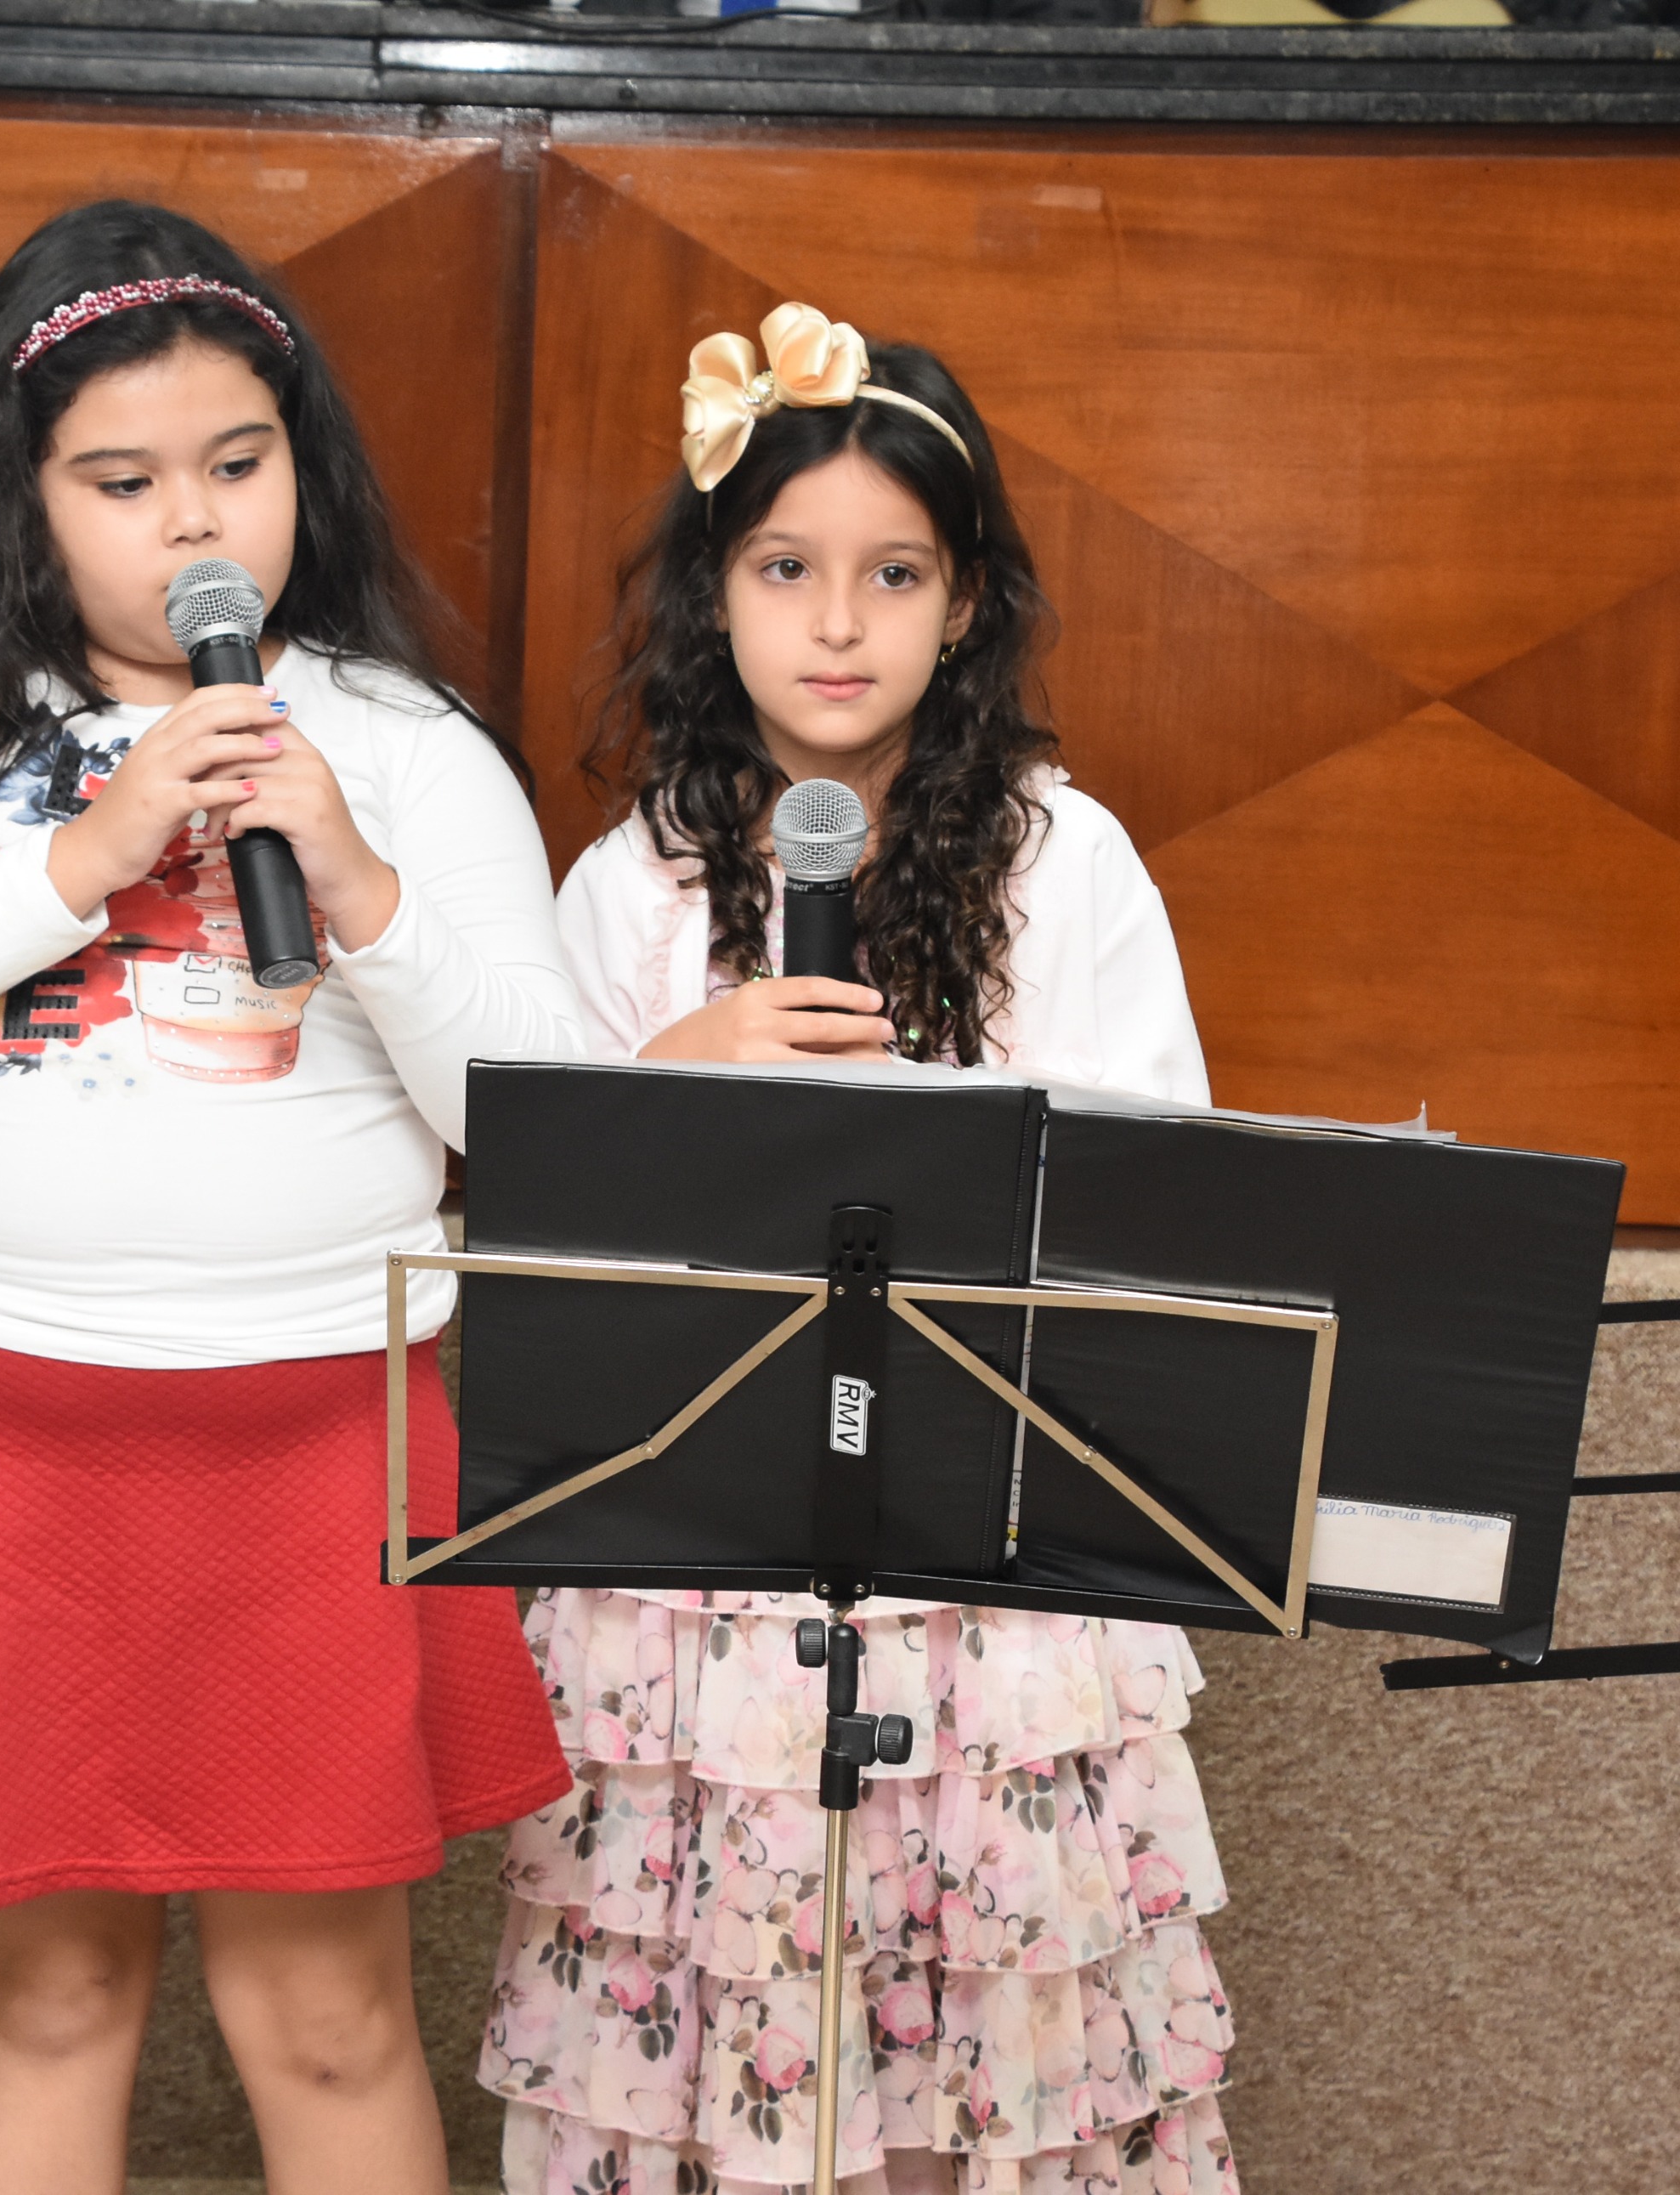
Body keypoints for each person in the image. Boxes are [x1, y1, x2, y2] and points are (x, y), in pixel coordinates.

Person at [0, 200, 580, 2195]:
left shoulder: (398, 740)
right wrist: (80, 854)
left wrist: (359, 888)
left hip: (313, 1449)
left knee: (329, 2007)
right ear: (20, 497)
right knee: (48, 1991)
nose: (193, 522)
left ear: (303, 465)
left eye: (237, 463)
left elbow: (541, 1120)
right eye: (121, 481)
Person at [478, 305, 1241, 2195]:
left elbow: (1161, 1190)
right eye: (784, 569)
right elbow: (540, 1239)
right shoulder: (633, 878)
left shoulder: (1064, 860)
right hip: (705, 1580)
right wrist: (677, 1071)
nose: (838, 624)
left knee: (971, 2052)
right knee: (728, 2049)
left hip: (988, 1570)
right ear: (713, 595)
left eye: (893, 574)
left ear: (964, 604)